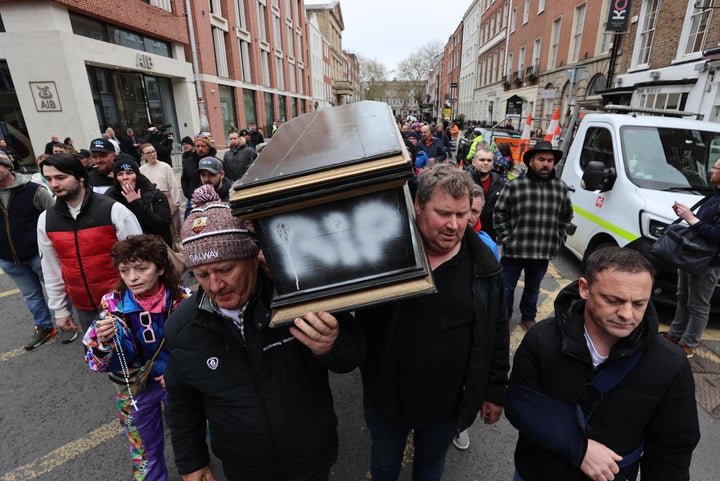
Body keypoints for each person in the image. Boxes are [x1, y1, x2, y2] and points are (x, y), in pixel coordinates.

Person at [163, 185, 365, 481]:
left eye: (226, 269)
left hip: (310, 457)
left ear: (253, 258)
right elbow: (181, 403)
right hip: (244, 469)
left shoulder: (296, 298)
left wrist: (333, 344)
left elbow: (353, 357)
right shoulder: (181, 326)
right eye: (203, 275)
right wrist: (192, 462)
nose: (215, 285)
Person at [356, 164, 509, 481]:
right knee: (384, 466)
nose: (455, 225)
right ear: (417, 206)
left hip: (446, 406)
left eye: (462, 214)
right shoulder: (384, 254)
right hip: (387, 401)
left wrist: (494, 390)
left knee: (430, 469)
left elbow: (496, 329)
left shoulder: (485, 266)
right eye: (443, 213)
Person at [505, 247, 700, 481]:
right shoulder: (542, 339)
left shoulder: (671, 363)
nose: (627, 314)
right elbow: (520, 403)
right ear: (584, 289)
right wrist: (581, 448)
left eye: (639, 303)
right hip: (537, 472)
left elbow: (672, 450)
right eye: (613, 300)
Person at [83, 234, 192, 481]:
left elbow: (202, 347)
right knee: (142, 447)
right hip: (136, 387)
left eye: (142, 268)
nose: (132, 277)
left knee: (193, 430)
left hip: (179, 383)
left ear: (161, 268)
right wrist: (103, 342)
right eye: (125, 270)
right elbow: (96, 361)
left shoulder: (183, 300)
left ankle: (198, 470)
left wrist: (179, 372)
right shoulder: (112, 305)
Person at [37, 154, 142, 332]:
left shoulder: (113, 210)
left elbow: (141, 256)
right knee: (97, 356)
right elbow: (51, 268)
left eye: (61, 177)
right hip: (83, 307)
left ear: (81, 177)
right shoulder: (46, 219)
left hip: (124, 301)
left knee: (135, 354)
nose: (54, 184)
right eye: (48, 179)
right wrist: (60, 309)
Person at [494, 140, 573, 331]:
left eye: (550, 160)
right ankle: (504, 319)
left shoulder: (560, 188)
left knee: (533, 289)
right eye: (541, 159)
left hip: (542, 252)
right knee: (506, 289)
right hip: (515, 251)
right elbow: (499, 213)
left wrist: (558, 240)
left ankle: (528, 317)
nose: (546, 164)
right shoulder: (515, 186)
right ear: (531, 162)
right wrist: (507, 238)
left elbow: (566, 216)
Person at [0, 151, 76, 349]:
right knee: (30, 295)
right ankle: (44, 327)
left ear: (8, 166)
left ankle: (68, 323)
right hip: (8, 258)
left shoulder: (33, 190)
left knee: (57, 288)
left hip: (37, 254)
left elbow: (55, 218)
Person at [663, 157, 720, 358]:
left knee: (699, 305)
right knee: (683, 297)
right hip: (692, 256)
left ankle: (688, 344)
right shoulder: (714, 196)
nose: (711, 170)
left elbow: (717, 235)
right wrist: (687, 215)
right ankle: (675, 334)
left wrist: (690, 218)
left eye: (715, 168)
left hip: (708, 262)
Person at [106, 158, 173, 246]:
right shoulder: (110, 196)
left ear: (137, 176)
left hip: (154, 248)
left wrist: (136, 203)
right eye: (120, 174)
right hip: (125, 249)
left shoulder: (155, 194)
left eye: (129, 173)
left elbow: (162, 225)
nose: (125, 177)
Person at [139, 142, 183, 245]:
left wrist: (175, 204)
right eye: (148, 153)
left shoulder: (165, 167)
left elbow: (173, 185)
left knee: (173, 231)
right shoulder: (141, 170)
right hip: (150, 203)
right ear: (143, 155)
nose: (152, 154)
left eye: (153, 151)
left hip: (167, 201)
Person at [466, 148, 505, 242]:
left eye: (489, 160)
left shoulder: (500, 183)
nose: (486, 163)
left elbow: (504, 209)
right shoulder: (464, 181)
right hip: (467, 232)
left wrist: (501, 232)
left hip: (490, 235)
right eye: (482, 160)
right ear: (474, 162)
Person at [181, 134, 217, 217]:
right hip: (192, 201)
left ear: (209, 146)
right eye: (197, 146)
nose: (200, 149)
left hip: (213, 201)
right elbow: (184, 179)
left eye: (203, 146)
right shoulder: (188, 162)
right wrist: (189, 194)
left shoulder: (216, 162)